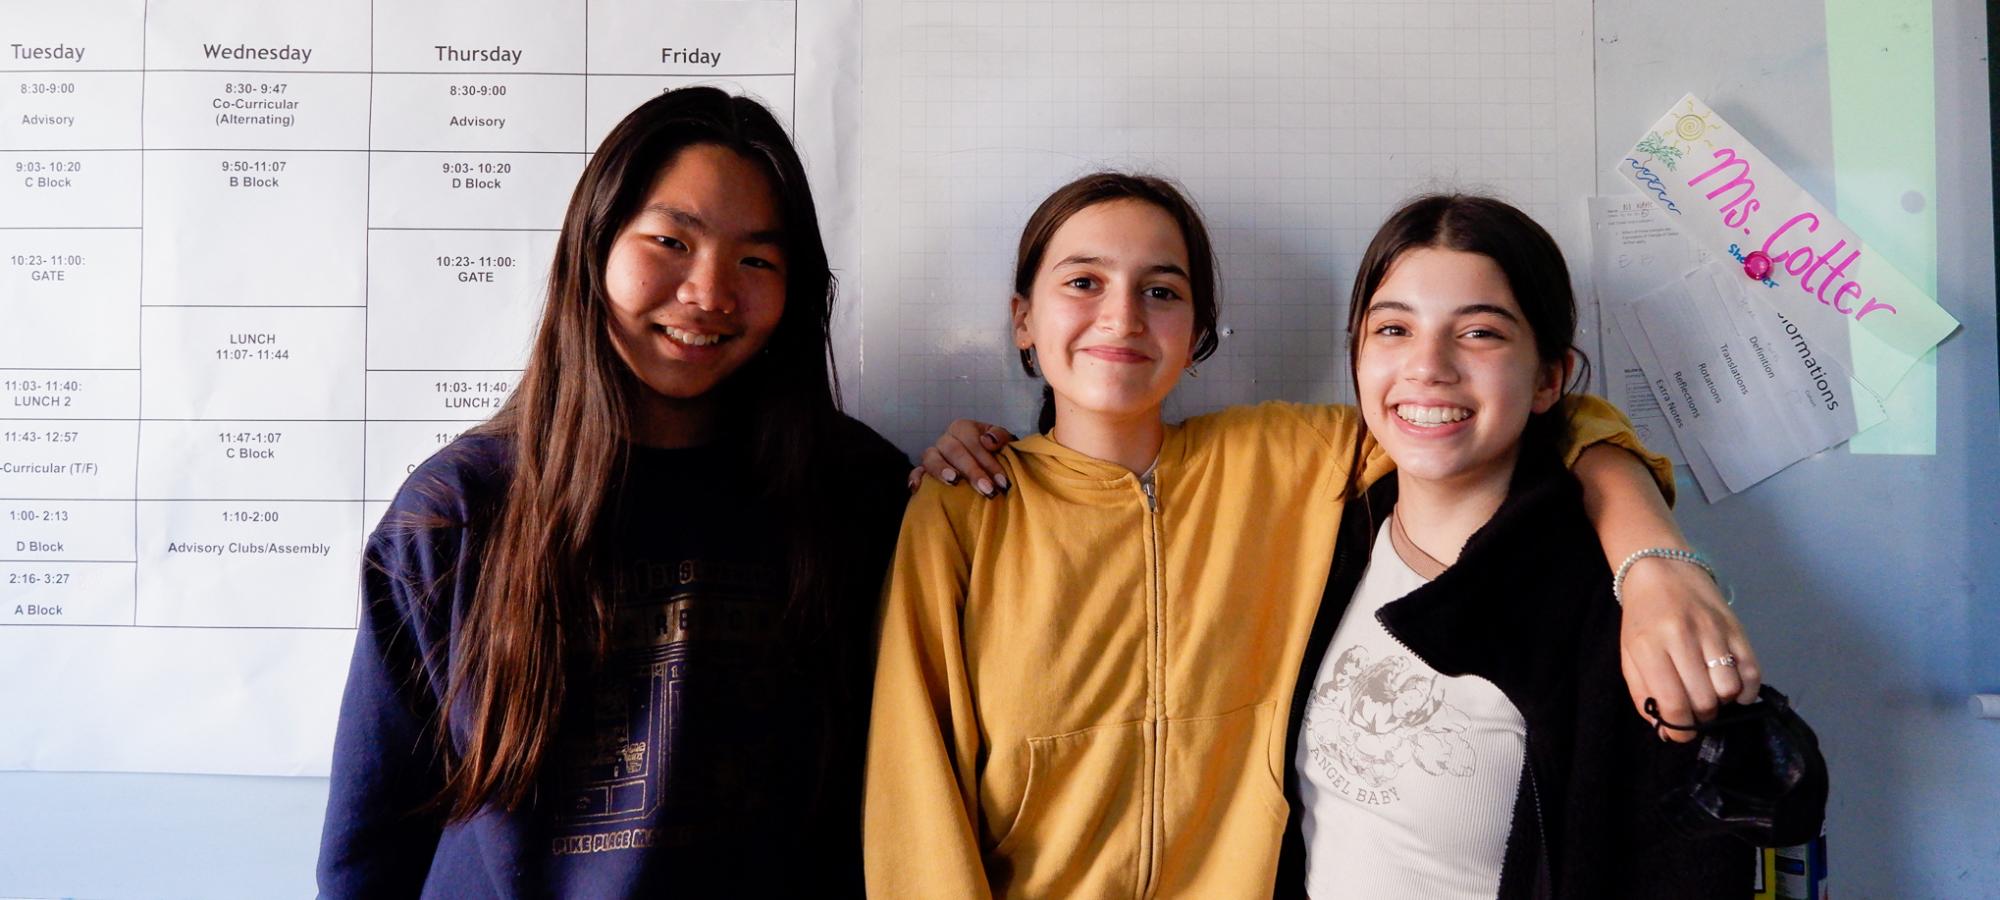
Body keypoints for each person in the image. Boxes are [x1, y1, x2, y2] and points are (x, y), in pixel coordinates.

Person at [864, 172, 1736, 896]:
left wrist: (1650, 552)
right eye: (1082, 281)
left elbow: (1514, 417)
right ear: (1022, 318)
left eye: (1161, 290)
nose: (1123, 317)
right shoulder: (965, 504)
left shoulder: (1287, 457)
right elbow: (914, 796)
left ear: (1198, 328)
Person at [316, 87, 908, 898]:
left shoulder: (858, 495)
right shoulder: (459, 510)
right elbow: (369, 846)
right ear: (594, 246)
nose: (709, 292)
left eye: (758, 261)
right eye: (671, 240)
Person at [1274, 194, 1744, 898]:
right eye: (1394, 328)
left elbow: (1690, 865)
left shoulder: (1618, 613)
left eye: (1480, 334)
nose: (1427, 366)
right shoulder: (1333, 534)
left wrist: (1651, 558)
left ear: (1550, 378)